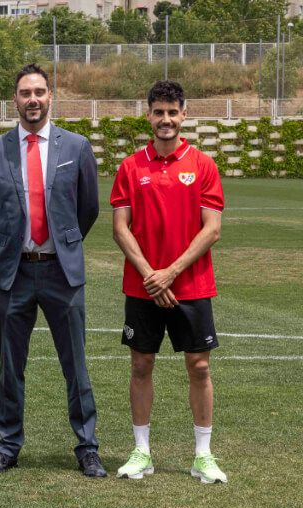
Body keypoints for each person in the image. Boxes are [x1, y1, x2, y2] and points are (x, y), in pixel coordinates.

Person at [0, 63, 106, 478]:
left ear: (51, 97)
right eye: (24, 93)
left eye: (39, 92)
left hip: (61, 273)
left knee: (76, 365)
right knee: (10, 365)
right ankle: (7, 446)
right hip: (14, 274)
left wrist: (61, 244)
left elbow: (88, 209)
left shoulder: (77, 147)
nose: (32, 100)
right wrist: (17, 246)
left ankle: (87, 446)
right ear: (14, 100)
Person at [111, 80, 227, 484]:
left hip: (191, 285)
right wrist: (150, 275)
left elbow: (211, 230)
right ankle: (142, 451)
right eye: (158, 112)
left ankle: (203, 455)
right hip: (142, 284)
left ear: (184, 114)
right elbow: (120, 229)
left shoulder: (203, 164)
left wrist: (170, 273)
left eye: (172, 112)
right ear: (149, 115)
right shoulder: (130, 166)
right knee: (141, 364)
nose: (165, 119)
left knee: (198, 366)